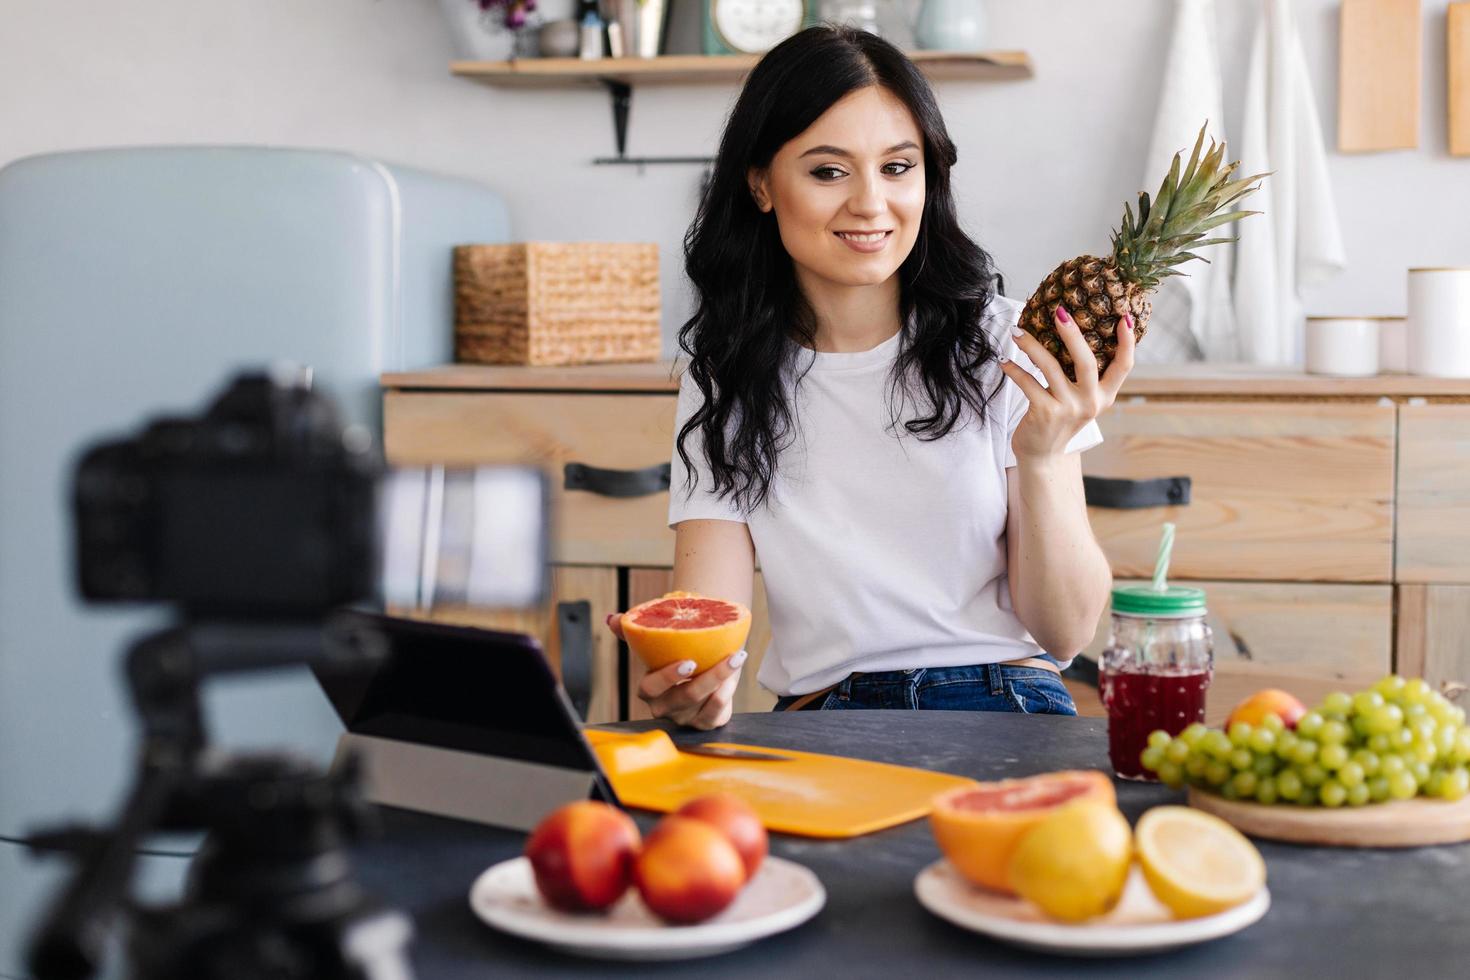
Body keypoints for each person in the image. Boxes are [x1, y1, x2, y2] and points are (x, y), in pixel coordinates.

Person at [606, 25, 1133, 729]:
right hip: (824, 718)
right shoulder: (725, 378)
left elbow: (1067, 632)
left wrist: (1041, 456)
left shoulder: (1006, 344)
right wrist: (693, 690)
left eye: (897, 167)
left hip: (1003, 699)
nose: (870, 204)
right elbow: (709, 639)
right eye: (828, 171)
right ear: (761, 183)